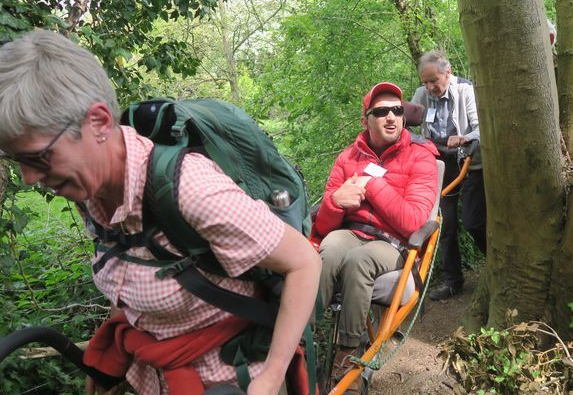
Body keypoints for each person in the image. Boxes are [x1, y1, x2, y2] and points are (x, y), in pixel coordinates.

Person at [0, 30, 321, 395]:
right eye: (15, 160)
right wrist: (103, 371)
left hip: (229, 378)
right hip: (153, 374)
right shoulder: (90, 193)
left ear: (100, 123)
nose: (28, 178)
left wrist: (271, 376)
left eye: (38, 157)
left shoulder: (192, 190)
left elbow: (304, 264)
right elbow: (130, 279)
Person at [315, 82, 439, 392]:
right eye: (380, 111)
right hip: (350, 232)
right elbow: (323, 227)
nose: (390, 117)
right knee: (329, 248)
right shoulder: (347, 158)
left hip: (393, 244)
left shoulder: (420, 157)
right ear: (365, 120)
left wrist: (371, 184)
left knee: (359, 260)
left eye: (397, 111)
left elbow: (413, 223)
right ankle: (306, 339)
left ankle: (348, 355)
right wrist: (334, 202)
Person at [411, 49, 486, 301]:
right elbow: (410, 121)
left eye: (434, 80)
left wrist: (464, 138)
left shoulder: (465, 90)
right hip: (440, 166)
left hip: (470, 162)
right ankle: (454, 281)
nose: (430, 87)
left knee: (474, 221)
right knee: (445, 225)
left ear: (448, 73)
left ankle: (497, 267)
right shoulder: (422, 95)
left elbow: (481, 127)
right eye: (425, 82)